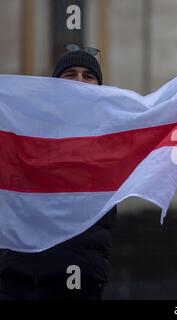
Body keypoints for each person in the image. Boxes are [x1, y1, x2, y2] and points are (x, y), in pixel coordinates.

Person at [0, 45, 117, 300]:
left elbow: (170, 149)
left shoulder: (117, 138)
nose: (79, 81)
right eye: (70, 74)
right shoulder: (24, 131)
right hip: (18, 275)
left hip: (80, 277)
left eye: (88, 76)